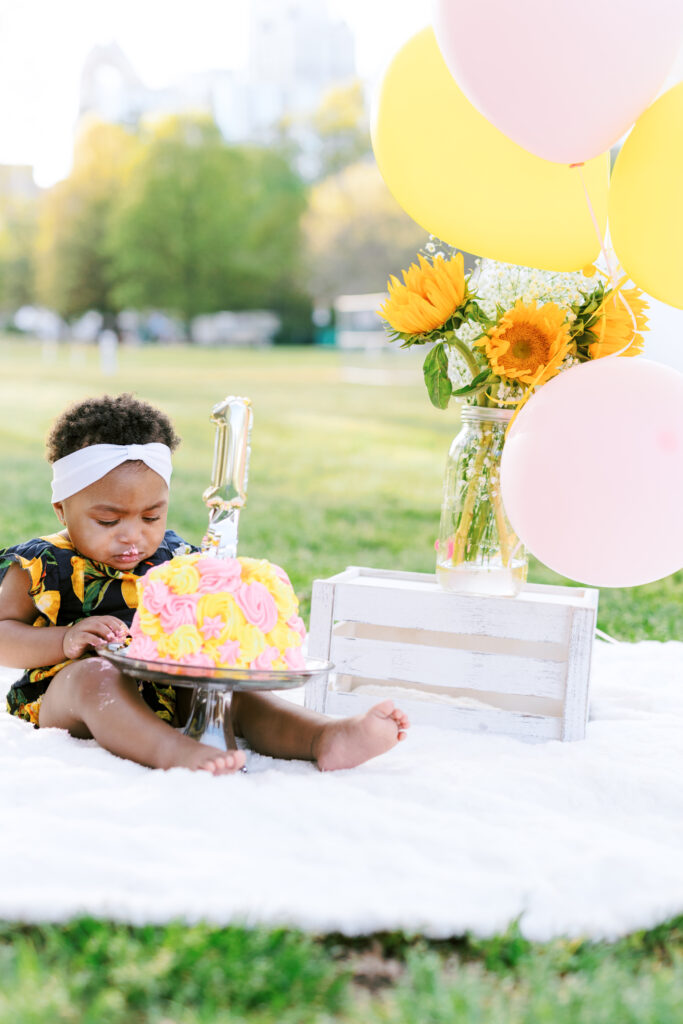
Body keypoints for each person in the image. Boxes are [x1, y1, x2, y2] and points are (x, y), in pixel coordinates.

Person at [0, 394, 409, 775]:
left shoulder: (177, 559)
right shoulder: (40, 564)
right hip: (67, 692)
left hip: (167, 686)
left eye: (151, 517)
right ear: (61, 509)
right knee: (96, 676)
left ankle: (322, 736)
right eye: (109, 521)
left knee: (228, 693)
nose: (132, 536)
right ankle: (173, 752)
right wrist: (65, 639)